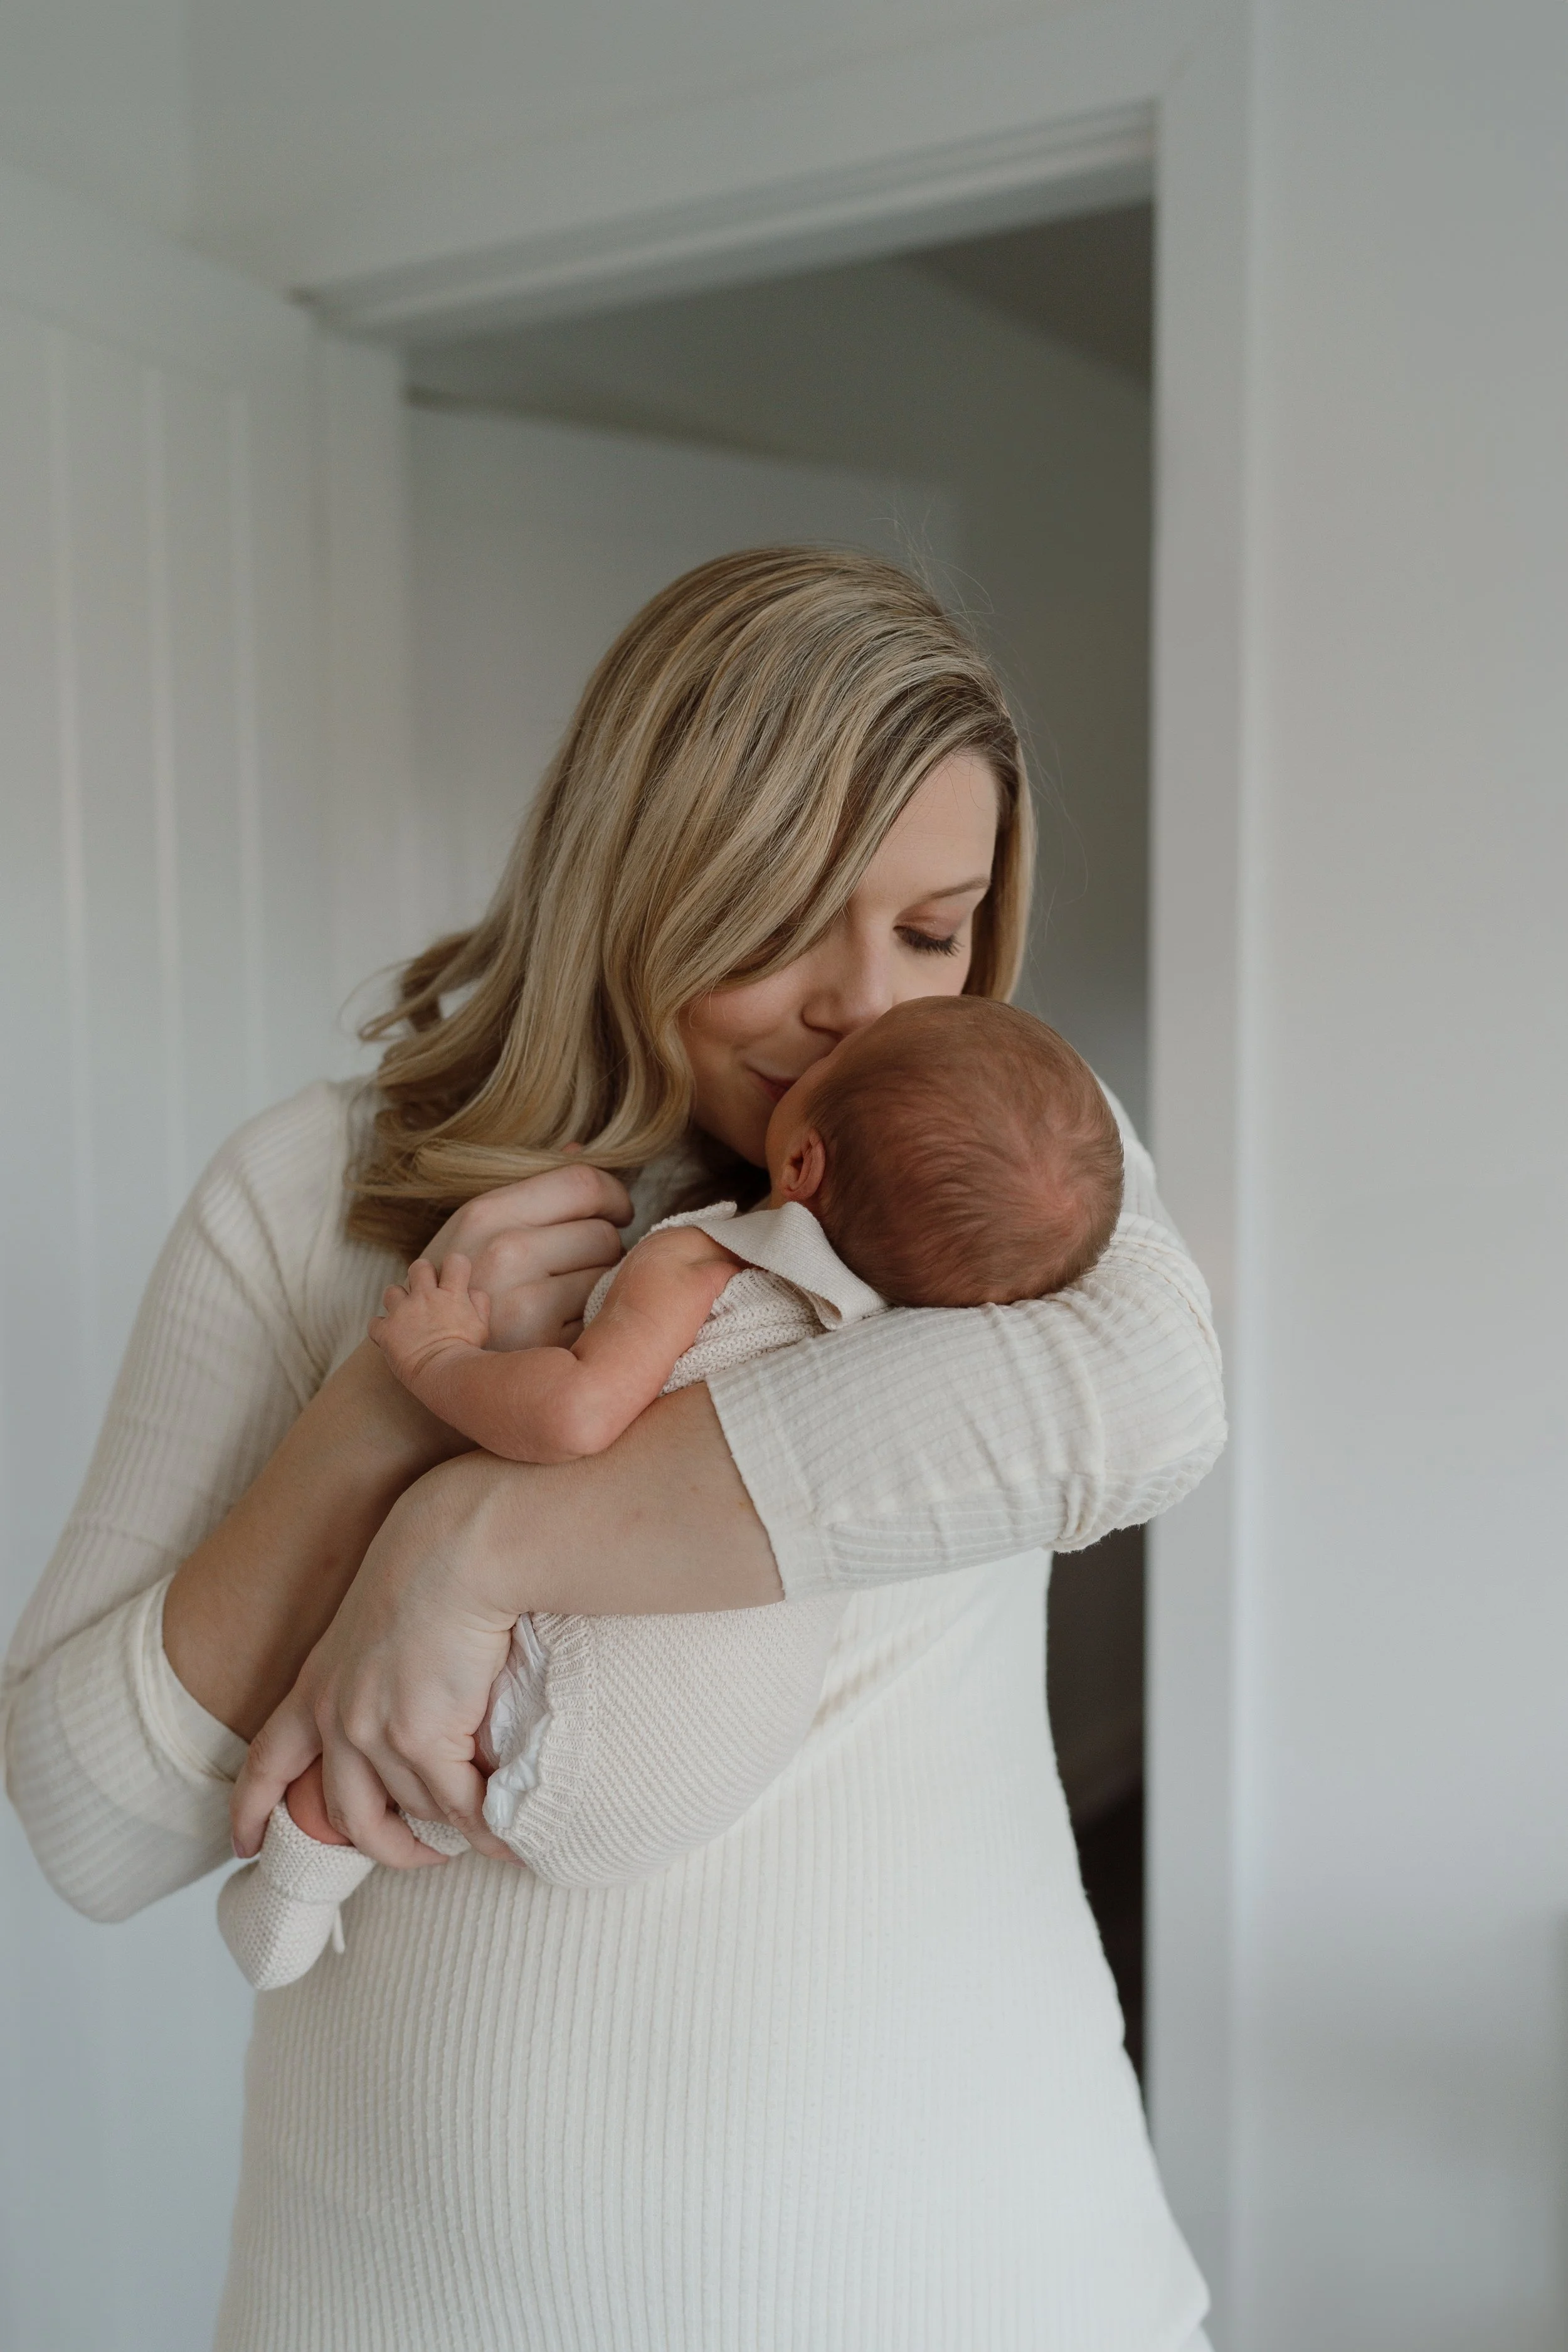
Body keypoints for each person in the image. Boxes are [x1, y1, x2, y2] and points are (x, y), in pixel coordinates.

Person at [3, 547, 1225, 2351]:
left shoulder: (992, 1170)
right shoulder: (312, 1197)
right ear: (636, 872)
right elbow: (88, 1822)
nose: (860, 1007)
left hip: (995, 2281)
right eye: (779, 912)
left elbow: (1150, 1413)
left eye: (929, 923)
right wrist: (381, 1415)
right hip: (396, 2302)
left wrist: (469, 1539)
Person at [218, 996, 1126, 1989]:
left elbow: (573, 1416)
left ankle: (300, 1873)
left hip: (580, 1704)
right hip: (700, 1769)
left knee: (431, 1694)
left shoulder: (710, 1259)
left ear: (804, 1164)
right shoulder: (905, 1353)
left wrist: (434, 1361)